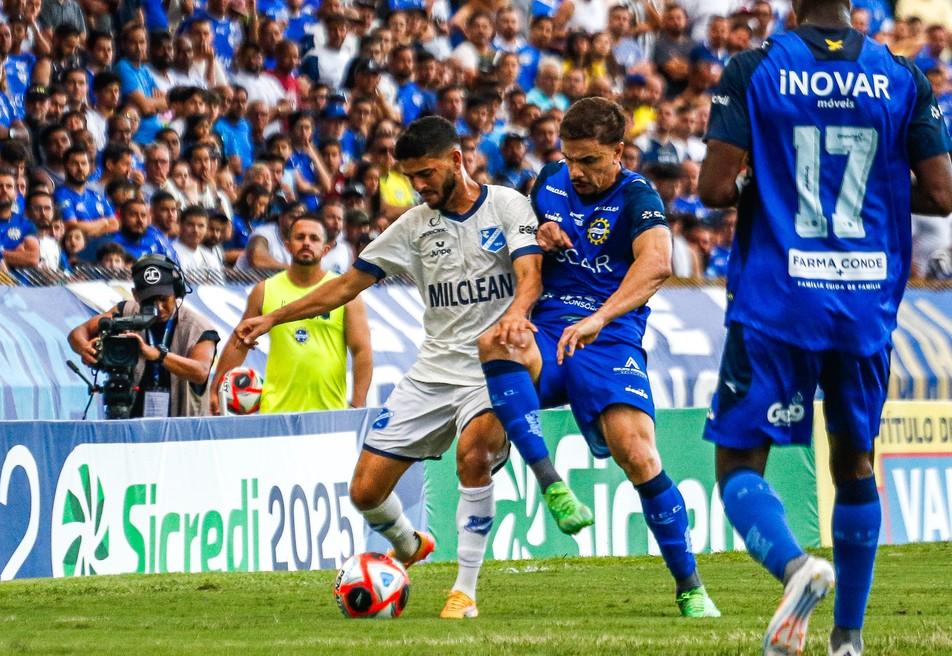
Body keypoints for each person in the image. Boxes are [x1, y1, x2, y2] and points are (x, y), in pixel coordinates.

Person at [234, 117, 587, 621]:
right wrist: (272, 317)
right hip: (432, 371)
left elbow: (530, 275)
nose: (418, 186)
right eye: (410, 177)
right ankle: (410, 543)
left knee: (476, 455)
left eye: (425, 174)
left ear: (456, 160)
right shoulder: (414, 226)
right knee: (365, 492)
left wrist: (514, 315)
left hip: (493, 367)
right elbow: (343, 286)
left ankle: (463, 590)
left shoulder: (508, 205)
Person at [698, 0, 952, 654]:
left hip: (779, 300)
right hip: (866, 303)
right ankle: (848, 639)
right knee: (853, 462)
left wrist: (778, 185)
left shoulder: (755, 68)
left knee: (738, 462)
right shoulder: (900, 74)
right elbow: (943, 192)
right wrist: (871, 189)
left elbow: (715, 188)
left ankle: (795, 568)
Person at [477, 97, 720, 618]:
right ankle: (552, 485)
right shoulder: (547, 181)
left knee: (639, 455)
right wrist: (537, 236)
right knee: (496, 346)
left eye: (589, 160)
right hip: (547, 328)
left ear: (619, 152)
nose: (577, 171)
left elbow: (657, 265)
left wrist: (599, 318)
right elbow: (517, 248)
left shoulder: (638, 196)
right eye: (570, 158)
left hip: (607, 336)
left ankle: (690, 586)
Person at [213, 214, 373, 414]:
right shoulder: (264, 290)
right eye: (300, 237)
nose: (306, 243)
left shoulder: (345, 294)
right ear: (287, 246)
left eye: (314, 238)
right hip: (275, 412)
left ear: (326, 249)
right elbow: (240, 341)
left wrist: (358, 405)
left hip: (329, 413)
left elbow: (362, 351)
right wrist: (215, 388)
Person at [68, 255, 221, 417]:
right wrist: (84, 348)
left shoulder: (197, 327)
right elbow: (77, 333)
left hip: (181, 429)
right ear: (135, 295)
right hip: (133, 419)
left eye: (164, 299)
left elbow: (201, 372)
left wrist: (157, 355)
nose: (159, 307)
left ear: (176, 292)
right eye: (149, 301)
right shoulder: (125, 311)